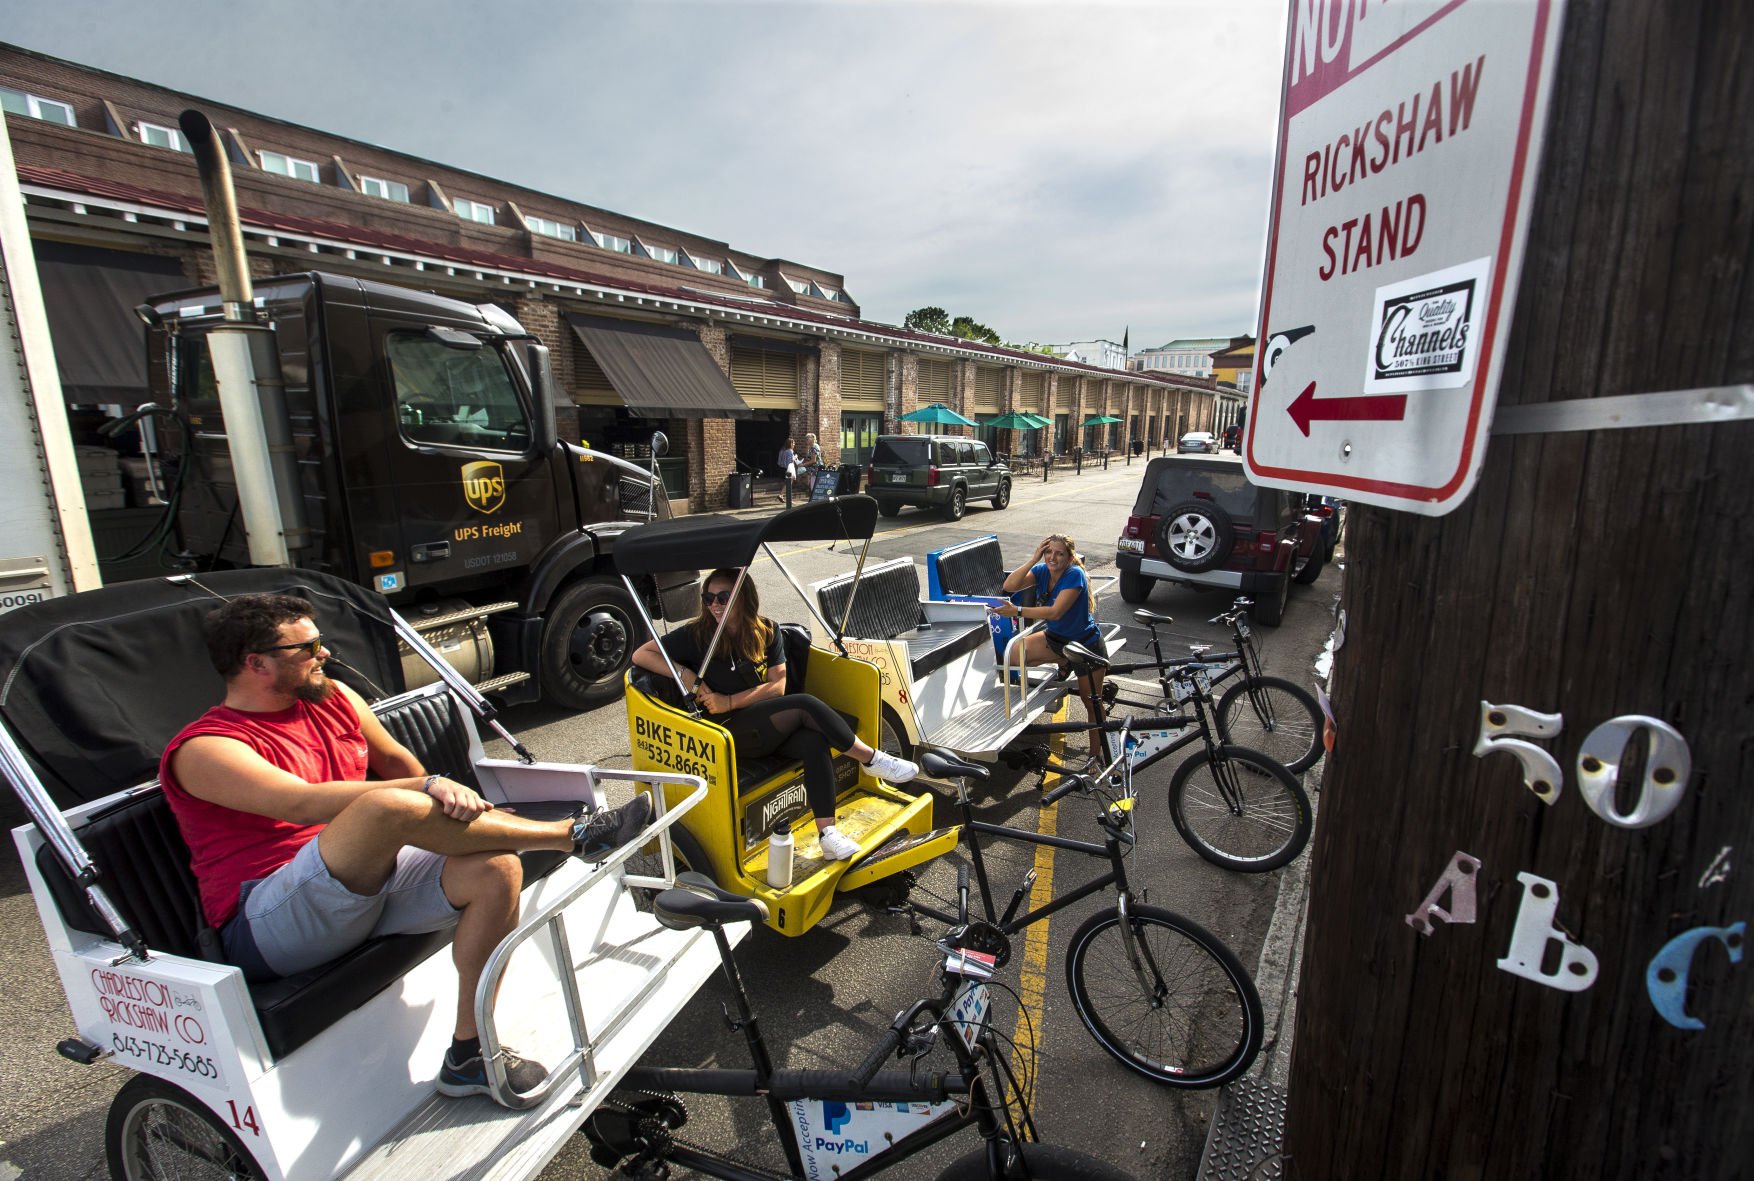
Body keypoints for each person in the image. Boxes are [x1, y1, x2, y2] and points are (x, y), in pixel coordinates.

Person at [159, 594, 651, 1101]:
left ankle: (471, 1053)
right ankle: (573, 835)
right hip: (268, 920)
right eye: (308, 647)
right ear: (255, 662)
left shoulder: (335, 700)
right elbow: (303, 804)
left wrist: (430, 796)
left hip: (359, 881)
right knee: (385, 809)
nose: (324, 654)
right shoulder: (205, 748)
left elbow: (405, 771)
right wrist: (422, 792)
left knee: (496, 869)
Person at [630, 569, 918, 861]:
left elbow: (777, 687)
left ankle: (828, 834)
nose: (714, 604)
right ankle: (871, 759)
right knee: (804, 705)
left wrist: (728, 700)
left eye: (723, 597)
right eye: (708, 598)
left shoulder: (767, 631)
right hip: (725, 734)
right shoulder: (696, 635)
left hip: (762, 725)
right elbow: (641, 655)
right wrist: (690, 676)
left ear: (744, 597)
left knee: (813, 742)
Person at [991, 534, 1108, 764]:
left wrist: (1018, 611)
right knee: (1014, 655)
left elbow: (1055, 612)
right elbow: (1009, 586)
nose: (1052, 557)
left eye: (1059, 553)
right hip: (1056, 639)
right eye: (1048, 552)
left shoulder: (1075, 575)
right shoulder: (1043, 570)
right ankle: (1063, 662)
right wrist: (1034, 559)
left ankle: (1097, 754)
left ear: (1069, 556)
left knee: (1091, 703)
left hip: (1084, 645)